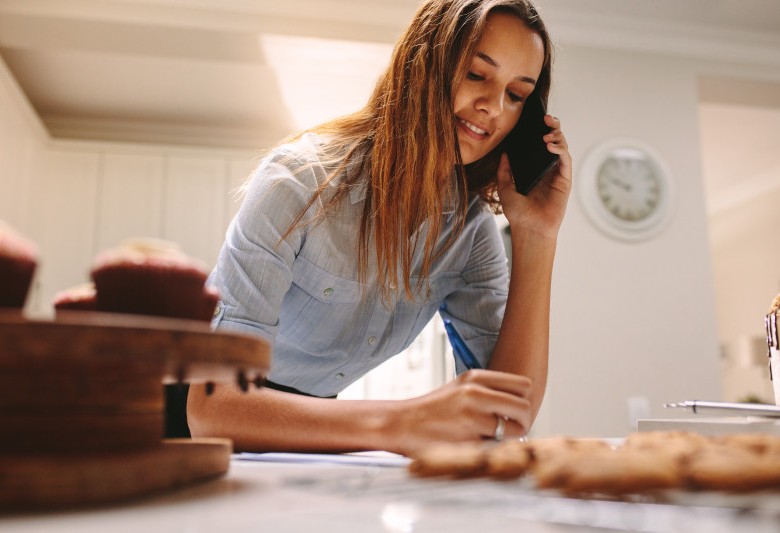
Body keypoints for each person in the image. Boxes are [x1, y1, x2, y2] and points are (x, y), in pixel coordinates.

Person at [187, 0, 572, 456]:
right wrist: (402, 421)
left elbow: (507, 417)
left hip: (306, 423)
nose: (492, 107)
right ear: (424, 65)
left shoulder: (470, 233)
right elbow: (212, 407)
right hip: (182, 419)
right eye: (475, 74)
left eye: (516, 95)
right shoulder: (297, 184)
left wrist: (537, 235)